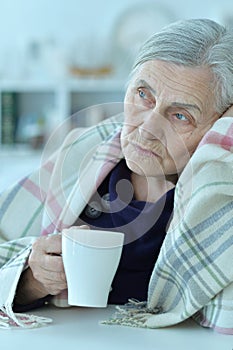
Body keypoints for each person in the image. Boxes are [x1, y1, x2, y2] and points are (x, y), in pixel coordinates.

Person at [0, 18, 233, 332]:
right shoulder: (84, 151)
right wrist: (32, 279)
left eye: (180, 115)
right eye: (142, 95)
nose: (147, 129)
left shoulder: (219, 196)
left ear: (220, 122)